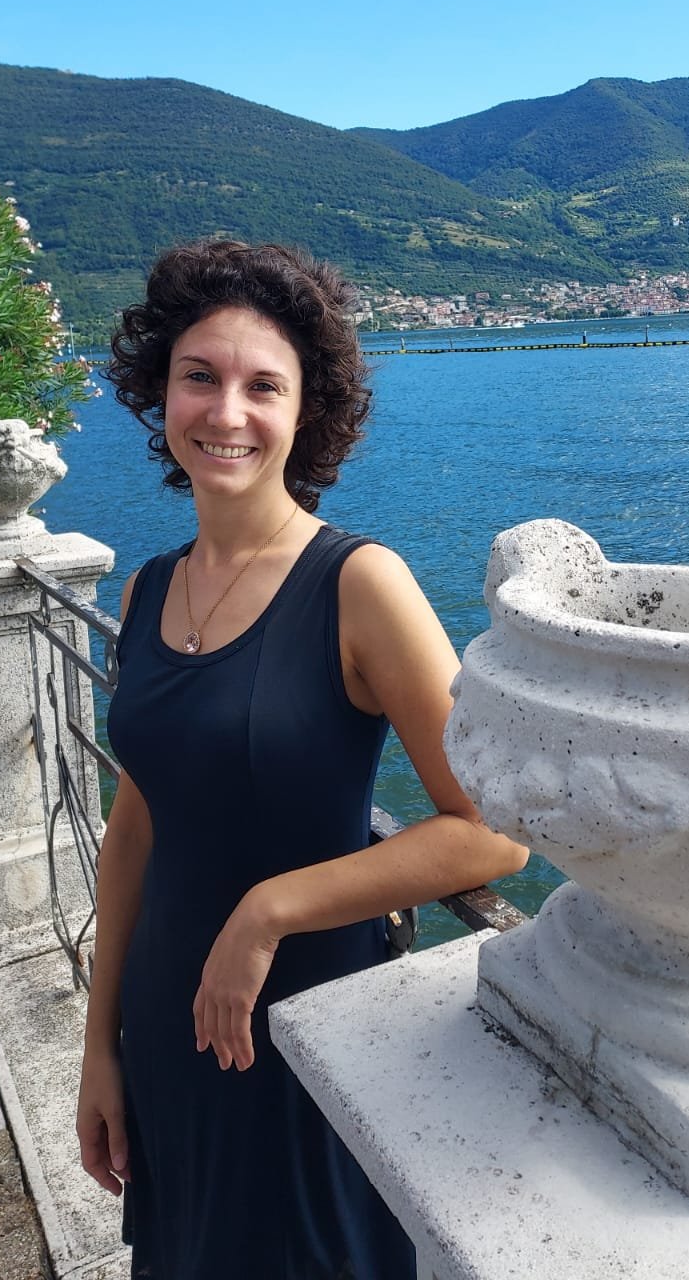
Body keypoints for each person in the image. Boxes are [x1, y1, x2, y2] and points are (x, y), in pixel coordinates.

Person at [75, 239, 529, 1280]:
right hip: (169, 1020)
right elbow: (134, 829)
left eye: (263, 386)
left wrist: (269, 909)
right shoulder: (148, 590)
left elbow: (493, 833)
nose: (226, 411)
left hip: (309, 1028)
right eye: (200, 376)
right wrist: (101, 1046)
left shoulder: (359, 584)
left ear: (306, 409)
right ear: (161, 393)